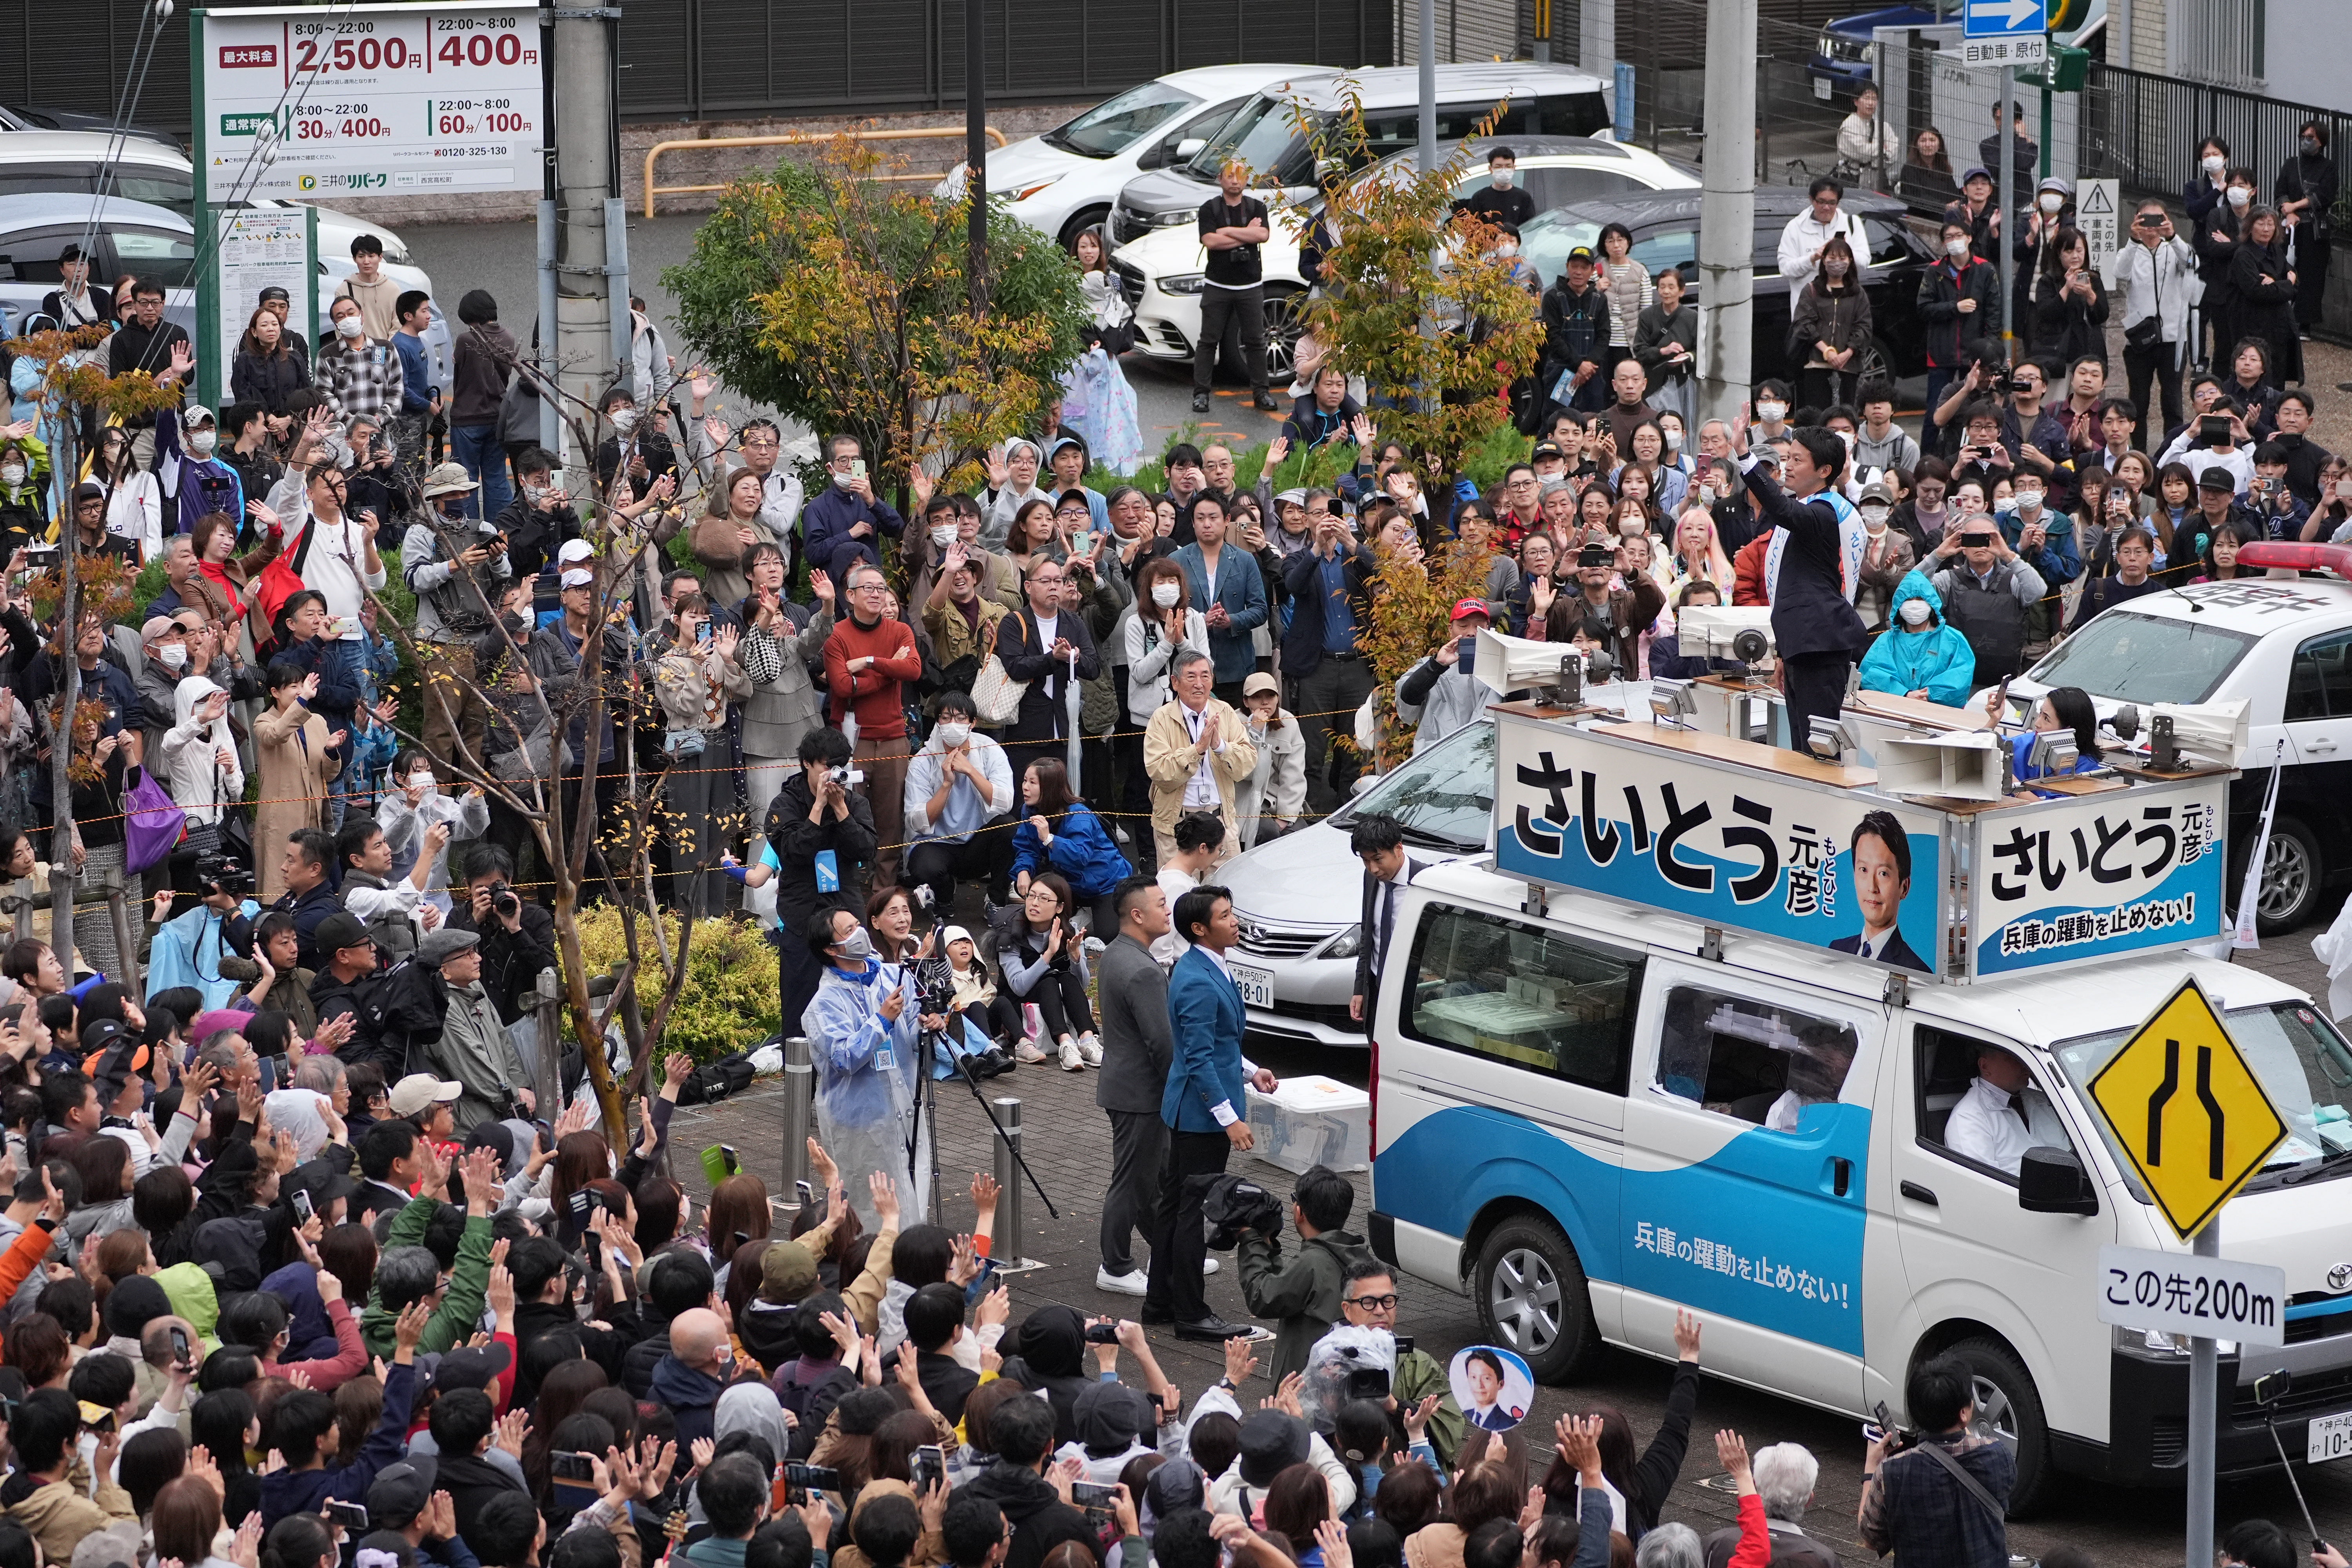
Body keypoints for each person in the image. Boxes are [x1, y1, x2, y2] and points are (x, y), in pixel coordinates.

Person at [1145, 884, 1276, 1342]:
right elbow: (1198, 1058)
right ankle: (1191, 1312)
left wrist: (1250, 1071)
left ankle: (1160, 1301)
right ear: (1200, 928)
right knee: (1191, 1213)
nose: (1235, 921)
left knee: (1174, 1206)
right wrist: (1229, 1118)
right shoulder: (1200, 979)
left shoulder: (1202, 965)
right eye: (1225, 916)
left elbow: (1219, 1045)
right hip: (1199, 1117)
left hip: (1188, 1108)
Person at [803, 904, 934, 1228]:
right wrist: (882, 1020)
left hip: (907, 1108)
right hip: (861, 1120)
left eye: (857, 925)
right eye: (848, 932)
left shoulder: (893, 975)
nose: (860, 933)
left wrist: (931, 1023)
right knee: (871, 1207)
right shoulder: (824, 1004)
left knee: (914, 1197)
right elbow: (845, 1058)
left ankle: (913, 1265)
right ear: (831, 949)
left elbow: (914, 1031)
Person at [768, 727, 879, 1034]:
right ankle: (800, 1079)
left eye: (839, 767)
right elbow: (792, 853)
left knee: (855, 1000)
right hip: (802, 914)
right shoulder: (785, 803)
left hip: (844, 911)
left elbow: (866, 850)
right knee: (799, 1010)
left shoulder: (854, 803)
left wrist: (841, 810)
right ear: (806, 763)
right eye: (826, 767)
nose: (833, 774)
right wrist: (818, 808)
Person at [1856, 1352, 2014, 1568]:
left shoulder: (1892, 1472)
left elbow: (1870, 1536)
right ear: (1964, 1413)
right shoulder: (1998, 1455)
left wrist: (1871, 1467)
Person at [1095, 877, 1175, 1296]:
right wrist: (1182, 1088)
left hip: (1127, 1087)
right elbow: (1161, 1043)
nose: (1169, 911)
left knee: (1153, 1178)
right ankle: (1116, 1264)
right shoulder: (1143, 969)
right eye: (1162, 904)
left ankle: (1171, 1249)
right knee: (1133, 1181)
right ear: (1138, 915)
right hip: (1140, 1093)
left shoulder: (1115, 953)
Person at [824, 561, 923, 891]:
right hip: (852, 741)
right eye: (868, 588)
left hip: (894, 739)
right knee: (845, 813)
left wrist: (868, 663)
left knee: (890, 819)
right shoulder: (837, 634)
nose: (877, 594)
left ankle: (884, 893)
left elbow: (912, 671)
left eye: (881, 588)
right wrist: (888, 670)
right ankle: (848, 888)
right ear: (850, 595)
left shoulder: (899, 630)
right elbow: (841, 686)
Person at [1235, 1164, 1372, 1383]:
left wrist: (1251, 1240)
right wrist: (1268, 1248)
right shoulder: (1354, 1255)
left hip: (1307, 1386)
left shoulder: (1311, 1262)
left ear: (1299, 1212)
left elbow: (1262, 1297)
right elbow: (1290, 1287)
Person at [902, 690, 1016, 915]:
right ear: (938, 723)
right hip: (937, 844)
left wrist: (971, 771)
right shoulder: (923, 760)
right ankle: (944, 896)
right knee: (924, 867)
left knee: (1009, 827)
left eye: (960, 718)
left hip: (976, 844)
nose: (952, 724)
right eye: (946, 718)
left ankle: (996, 900)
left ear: (972, 723)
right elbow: (917, 821)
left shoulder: (989, 749)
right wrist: (946, 784)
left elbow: (1005, 803)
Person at [1143, 649, 1258, 869]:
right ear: (1175, 682)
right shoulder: (1161, 718)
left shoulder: (1224, 712)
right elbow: (1159, 772)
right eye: (1191, 676)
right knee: (1181, 896)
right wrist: (1197, 750)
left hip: (1220, 819)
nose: (1199, 683)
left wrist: (1219, 746)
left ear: (1212, 681)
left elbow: (1247, 763)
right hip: (1177, 823)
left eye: (1205, 676)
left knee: (1223, 892)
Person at [996, 558, 1101, 788]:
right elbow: (1015, 667)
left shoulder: (1073, 622)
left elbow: (1094, 668)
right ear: (1028, 586)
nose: (1054, 586)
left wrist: (1075, 658)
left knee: (1064, 800)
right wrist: (1052, 659)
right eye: (1045, 581)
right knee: (1026, 800)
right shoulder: (1014, 622)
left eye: (1058, 581)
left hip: (1066, 727)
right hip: (1027, 730)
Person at [1192, 161, 1277, 415]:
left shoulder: (1257, 207)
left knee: (1255, 341)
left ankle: (1262, 392)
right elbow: (1210, 241)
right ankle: (1201, 394)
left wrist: (1227, 231)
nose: (1235, 180)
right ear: (1220, 179)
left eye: (1240, 176)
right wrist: (1244, 233)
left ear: (1247, 179)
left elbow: (1262, 236)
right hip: (1217, 284)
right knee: (1208, 341)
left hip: (1250, 285)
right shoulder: (1209, 208)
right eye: (1229, 176)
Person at [997, 871, 1098, 1072]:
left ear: (1059, 907)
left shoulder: (1071, 931)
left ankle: (1087, 1041)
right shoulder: (1010, 934)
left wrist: (1075, 957)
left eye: (1044, 899)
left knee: (1068, 978)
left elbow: (1083, 984)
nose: (1035, 903)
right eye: (1032, 896)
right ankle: (1066, 1044)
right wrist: (1049, 953)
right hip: (1019, 1006)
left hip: (1054, 1000)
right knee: (1049, 980)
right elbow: (1018, 986)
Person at [1924, 516, 2043, 686]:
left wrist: (2008, 555)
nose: (1980, 546)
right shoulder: (1949, 580)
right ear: (1963, 547)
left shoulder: (2012, 580)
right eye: (1972, 539)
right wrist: (1937, 556)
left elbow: (2037, 592)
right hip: (1955, 678)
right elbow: (1912, 589)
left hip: (2003, 677)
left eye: (1986, 539)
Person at [1350, 815, 1430, 1028]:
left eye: (1378, 859)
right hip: (1375, 988)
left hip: (1411, 993)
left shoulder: (1427, 883)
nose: (1373, 868)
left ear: (1398, 848)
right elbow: (1369, 936)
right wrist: (1360, 989)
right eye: (1366, 861)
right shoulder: (1371, 879)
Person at [1826, 811, 1926, 972]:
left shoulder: (1914, 971)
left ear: (1904, 887)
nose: (1872, 887)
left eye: (1883, 873)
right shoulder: (1837, 950)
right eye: (1864, 870)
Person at [1857, 572, 1974, 709]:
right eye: (1908, 600)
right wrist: (1904, 694)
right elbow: (1871, 674)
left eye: (1920, 599)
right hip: (1893, 712)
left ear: (1932, 605)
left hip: (1939, 713)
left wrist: (1930, 694)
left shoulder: (1953, 639)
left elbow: (1961, 676)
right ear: (1899, 606)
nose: (1914, 605)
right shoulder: (1887, 640)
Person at [1394, 601, 1493, 758]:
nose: (1472, 633)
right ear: (1450, 629)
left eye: (1479, 626)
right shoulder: (1431, 665)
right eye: (1463, 625)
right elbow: (1406, 698)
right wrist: (1436, 666)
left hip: (1485, 764)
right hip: (1438, 762)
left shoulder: (1499, 667)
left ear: (1488, 627)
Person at [2277, 120, 2337, 332]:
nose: (2306, 141)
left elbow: (2323, 195)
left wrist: (2296, 206)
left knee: (2311, 276)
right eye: (2303, 137)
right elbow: (2280, 191)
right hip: (2290, 227)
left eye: (2311, 137)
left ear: (2321, 141)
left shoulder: (2329, 168)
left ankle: (2304, 324)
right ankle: (2282, 315)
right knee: (2285, 270)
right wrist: (2289, 211)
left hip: (2314, 229)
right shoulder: (2291, 164)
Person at [1232, 673, 1303, 851]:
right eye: (1257, 697)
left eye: (1270, 696)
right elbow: (1245, 775)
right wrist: (1255, 734)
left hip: (1278, 801)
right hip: (1242, 802)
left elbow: (1294, 775)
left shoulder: (1289, 722)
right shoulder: (1234, 722)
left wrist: (1286, 817)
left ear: (1278, 698)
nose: (1265, 703)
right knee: (1266, 831)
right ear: (1246, 701)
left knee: (1301, 834)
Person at [1777, 178, 1865, 292]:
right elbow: (1785, 270)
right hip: (1807, 307)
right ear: (1812, 200)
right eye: (1822, 202)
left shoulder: (1852, 223)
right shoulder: (1795, 227)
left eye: (1832, 203)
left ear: (1838, 203)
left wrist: (1845, 252)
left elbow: (1863, 264)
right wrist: (1812, 260)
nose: (1827, 207)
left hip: (1843, 304)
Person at [1454, 146, 1534, 228]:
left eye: (1508, 166)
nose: (1504, 171)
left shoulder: (1524, 198)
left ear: (1514, 168)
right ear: (1491, 169)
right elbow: (1472, 229)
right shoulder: (1480, 198)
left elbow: (1530, 229)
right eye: (1498, 167)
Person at [1836, 85, 1900, 185]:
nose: (1871, 103)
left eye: (1874, 99)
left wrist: (1873, 153)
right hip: (1853, 179)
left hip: (1878, 180)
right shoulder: (1849, 125)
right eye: (1866, 98)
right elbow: (1862, 154)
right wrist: (1882, 149)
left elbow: (1893, 155)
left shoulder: (1884, 126)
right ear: (1856, 102)